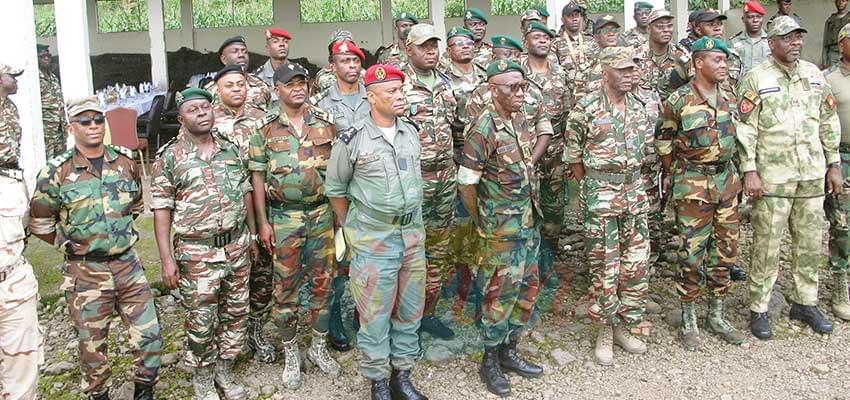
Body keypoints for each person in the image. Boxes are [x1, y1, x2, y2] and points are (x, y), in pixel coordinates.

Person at [30, 96, 162, 400]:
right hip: (85, 272)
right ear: (70, 127)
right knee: (92, 349)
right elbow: (40, 223)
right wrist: (67, 245)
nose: (93, 126)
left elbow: (136, 205)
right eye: (84, 121)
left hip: (128, 267)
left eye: (98, 120)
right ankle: (97, 394)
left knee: (150, 338)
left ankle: (144, 391)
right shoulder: (55, 172)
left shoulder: (125, 162)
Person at [326, 64, 428, 400]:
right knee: (374, 315)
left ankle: (402, 375)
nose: (400, 97)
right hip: (373, 241)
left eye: (401, 91)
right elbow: (336, 189)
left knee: (410, 310)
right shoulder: (351, 140)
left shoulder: (410, 131)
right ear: (371, 97)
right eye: (391, 93)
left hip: (412, 237)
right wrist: (352, 229)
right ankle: (378, 381)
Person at [737, 16, 841, 340]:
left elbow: (828, 119)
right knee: (767, 243)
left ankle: (804, 302)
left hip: (810, 173)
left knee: (810, 241)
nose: (795, 43)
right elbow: (745, 128)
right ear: (772, 44)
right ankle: (759, 306)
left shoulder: (814, 75)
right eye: (788, 38)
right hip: (773, 178)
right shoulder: (756, 78)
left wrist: (834, 164)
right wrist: (749, 170)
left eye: (798, 37)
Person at [151, 88, 254, 400]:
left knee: (236, 313)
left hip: (236, 246)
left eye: (206, 107)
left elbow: (245, 190)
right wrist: (167, 260)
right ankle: (203, 379)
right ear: (181, 117)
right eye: (193, 109)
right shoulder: (169, 157)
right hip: (197, 253)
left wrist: (251, 235)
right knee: (201, 319)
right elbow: (161, 212)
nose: (202, 113)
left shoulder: (231, 149)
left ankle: (224, 370)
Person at [249, 62, 341, 389]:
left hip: (321, 215)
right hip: (283, 217)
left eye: (302, 82)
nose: (298, 88)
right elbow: (257, 178)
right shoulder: (265, 128)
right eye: (291, 84)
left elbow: (338, 172)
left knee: (324, 281)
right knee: (284, 287)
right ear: (278, 90)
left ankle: (317, 346)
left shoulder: (326, 124)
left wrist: (340, 217)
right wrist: (262, 223)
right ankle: (291, 349)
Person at [458, 59, 544, 397]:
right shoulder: (483, 128)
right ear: (493, 90)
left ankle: (510, 351)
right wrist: (482, 219)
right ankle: (490, 359)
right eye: (513, 87)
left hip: (526, 223)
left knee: (526, 289)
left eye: (523, 86)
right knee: (497, 294)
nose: (521, 93)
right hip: (499, 229)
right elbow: (466, 183)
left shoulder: (519, 120)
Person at [658, 37, 748, 351]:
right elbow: (664, 143)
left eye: (725, 61)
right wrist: (675, 173)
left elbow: (741, 140)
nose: (724, 65)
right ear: (698, 63)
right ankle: (689, 316)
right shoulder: (679, 99)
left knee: (725, 252)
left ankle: (718, 314)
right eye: (717, 60)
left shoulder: (730, 97)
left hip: (726, 183)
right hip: (693, 185)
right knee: (691, 253)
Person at [565, 47, 652, 366]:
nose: (631, 74)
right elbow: (573, 156)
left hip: (634, 193)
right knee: (605, 265)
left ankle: (622, 326)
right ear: (605, 72)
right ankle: (604, 329)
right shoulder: (585, 108)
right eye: (623, 69)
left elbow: (646, 150)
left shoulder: (641, 107)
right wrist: (593, 188)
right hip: (601, 196)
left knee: (636, 264)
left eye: (633, 69)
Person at [209, 65, 277, 364]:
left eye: (241, 84)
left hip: (262, 205)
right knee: (228, 281)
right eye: (229, 85)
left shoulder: (262, 120)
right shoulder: (206, 121)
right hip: (225, 213)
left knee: (263, 273)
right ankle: (225, 341)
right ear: (218, 91)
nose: (237, 89)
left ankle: (256, 330)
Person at [400, 24, 459, 340]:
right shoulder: (397, 84)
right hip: (412, 180)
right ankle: (404, 319)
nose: (431, 51)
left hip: (445, 179)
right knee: (408, 250)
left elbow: (458, 130)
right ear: (408, 48)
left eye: (434, 45)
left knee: (438, 248)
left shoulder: (446, 83)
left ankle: (428, 314)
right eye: (424, 46)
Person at [311, 39, 371, 351]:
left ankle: (364, 318)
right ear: (332, 66)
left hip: (370, 191)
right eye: (344, 61)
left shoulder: (373, 96)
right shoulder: (320, 104)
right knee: (338, 258)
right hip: (337, 192)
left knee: (368, 256)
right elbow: (317, 153)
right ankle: (335, 322)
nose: (350, 67)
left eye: (355, 62)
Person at [520, 21, 570, 306]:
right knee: (526, 213)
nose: (542, 41)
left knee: (554, 212)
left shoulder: (560, 74)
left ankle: (548, 264)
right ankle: (528, 271)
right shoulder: (517, 74)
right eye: (536, 36)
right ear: (526, 40)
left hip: (555, 155)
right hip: (524, 155)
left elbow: (568, 112)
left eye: (546, 37)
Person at [0, 63, 41, 400]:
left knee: (22, 373)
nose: (15, 82)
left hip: (12, 283)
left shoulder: (9, 107)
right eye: (10, 75)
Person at [824, 22, 850, 322]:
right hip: (841, 156)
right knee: (841, 225)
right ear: (841, 44)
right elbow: (823, 123)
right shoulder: (828, 79)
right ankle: (840, 282)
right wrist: (832, 164)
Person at [637, 9, 690, 107]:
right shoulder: (636, 56)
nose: (666, 30)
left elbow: (694, 83)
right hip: (643, 112)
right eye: (660, 27)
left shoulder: (680, 54)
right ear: (649, 29)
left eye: (669, 26)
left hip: (673, 110)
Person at [206, 36, 271, 110]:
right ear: (223, 59)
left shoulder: (261, 85)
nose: (241, 55)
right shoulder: (212, 89)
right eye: (235, 51)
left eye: (245, 52)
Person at [573, 15, 623, 100]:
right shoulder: (587, 68)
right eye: (605, 31)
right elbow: (579, 98)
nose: (611, 34)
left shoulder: (630, 62)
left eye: (615, 30)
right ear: (596, 37)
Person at [551, 2, 597, 81]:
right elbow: (553, 67)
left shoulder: (591, 40)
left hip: (590, 86)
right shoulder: (555, 43)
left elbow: (598, 62)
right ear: (562, 20)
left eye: (577, 15)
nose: (574, 19)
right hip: (567, 87)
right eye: (570, 16)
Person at [37, 44, 67, 159]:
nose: (46, 58)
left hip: (59, 130)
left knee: (60, 162)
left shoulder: (53, 77)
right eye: (42, 56)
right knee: (47, 164)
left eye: (48, 56)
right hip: (46, 132)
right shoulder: (36, 79)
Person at [311, 30, 363, 95]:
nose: (344, 50)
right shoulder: (322, 76)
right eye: (338, 47)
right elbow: (314, 100)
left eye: (348, 46)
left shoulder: (363, 74)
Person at [729, 1, 771, 74]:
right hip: (741, 84)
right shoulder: (733, 42)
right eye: (750, 17)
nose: (755, 20)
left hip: (766, 83)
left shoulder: (771, 41)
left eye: (759, 17)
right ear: (743, 19)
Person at [255, 28, 294, 101]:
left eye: (285, 41)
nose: (282, 44)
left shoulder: (300, 72)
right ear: (267, 48)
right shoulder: (258, 77)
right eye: (276, 41)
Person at [824, 0, 850, 69]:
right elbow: (825, 40)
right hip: (833, 51)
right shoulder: (830, 20)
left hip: (847, 50)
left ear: (847, 2)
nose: (840, 3)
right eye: (838, 1)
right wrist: (824, 59)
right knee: (832, 73)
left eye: (843, 0)